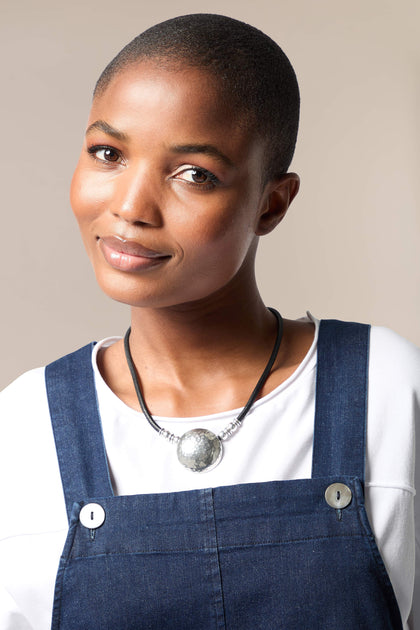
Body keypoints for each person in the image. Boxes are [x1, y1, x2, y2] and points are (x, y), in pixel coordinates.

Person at [0, 13, 419, 630]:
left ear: (271, 203)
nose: (130, 207)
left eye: (194, 174)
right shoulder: (25, 426)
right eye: (107, 153)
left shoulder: (389, 388)